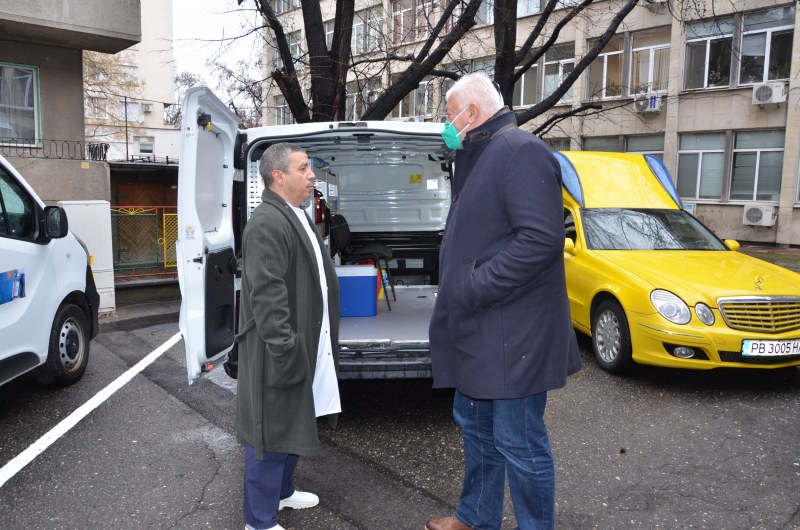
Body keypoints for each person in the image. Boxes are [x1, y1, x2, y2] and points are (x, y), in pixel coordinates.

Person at [425, 72, 581, 530]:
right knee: (478, 433)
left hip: (514, 337)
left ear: (471, 113)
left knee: (519, 442)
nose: (445, 124)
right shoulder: (480, 154)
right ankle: (474, 518)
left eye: (448, 114)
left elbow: (540, 240)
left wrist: (474, 286)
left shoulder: (518, 149)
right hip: (481, 333)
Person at [235, 142, 341, 530]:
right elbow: (268, 296)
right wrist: (286, 350)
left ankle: (281, 492)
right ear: (278, 176)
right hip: (279, 350)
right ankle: (258, 521)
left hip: (304, 344)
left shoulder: (294, 213)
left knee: (296, 419)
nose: (312, 175)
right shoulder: (266, 223)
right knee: (270, 430)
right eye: (303, 168)